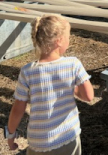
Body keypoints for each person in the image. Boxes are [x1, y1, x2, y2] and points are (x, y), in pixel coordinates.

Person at [6, 14, 94, 154]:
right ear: (59, 41)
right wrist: (73, 91)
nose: (69, 41)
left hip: (39, 142)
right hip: (68, 137)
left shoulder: (27, 72)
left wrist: (10, 134)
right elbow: (89, 96)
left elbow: (18, 109)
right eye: (68, 37)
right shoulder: (73, 64)